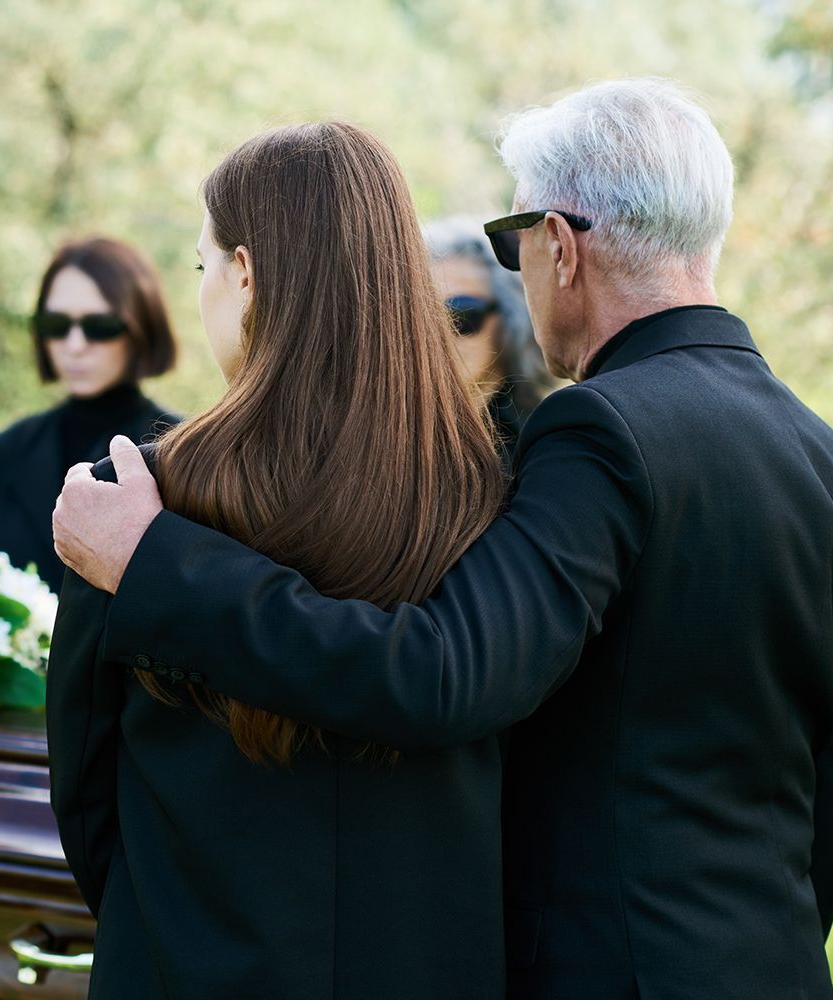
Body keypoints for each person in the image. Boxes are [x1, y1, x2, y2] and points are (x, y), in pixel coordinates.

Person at [53, 80, 833, 999]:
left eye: (512, 245)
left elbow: (439, 675)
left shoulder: (596, 436)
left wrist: (154, 565)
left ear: (560, 247)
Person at [47, 123, 509, 998]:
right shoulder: (494, 487)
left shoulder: (138, 501)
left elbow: (85, 786)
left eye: (202, 266)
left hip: (187, 961)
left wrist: (162, 921)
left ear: (247, 273)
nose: (202, 290)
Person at [0, 237, 178, 591]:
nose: (75, 345)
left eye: (100, 326)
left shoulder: (191, 455)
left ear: (140, 327)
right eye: (57, 326)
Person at [426, 215, 559, 468]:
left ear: (512, 316)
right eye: (423, 319)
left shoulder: (545, 442)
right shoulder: (386, 433)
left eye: (461, 315)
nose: (439, 336)